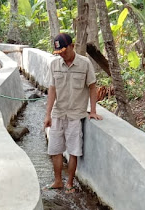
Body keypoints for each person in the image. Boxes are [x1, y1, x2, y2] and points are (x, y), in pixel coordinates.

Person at [44, 33, 102, 193]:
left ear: (72, 45)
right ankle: (57, 181)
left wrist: (93, 111)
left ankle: (69, 183)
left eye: (64, 50)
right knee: (55, 149)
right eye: (59, 52)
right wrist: (48, 114)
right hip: (58, 113)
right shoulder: (55, 65)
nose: (62, 54)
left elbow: (92, 87)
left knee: (73, 150)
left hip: (76, 115)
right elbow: (52, 90)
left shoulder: (85, 64)